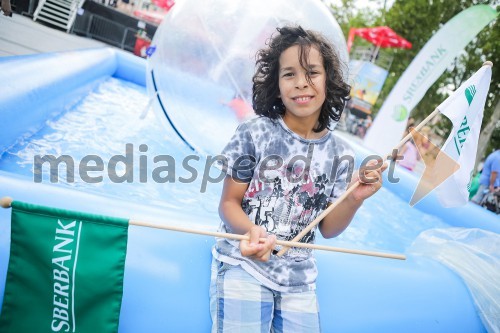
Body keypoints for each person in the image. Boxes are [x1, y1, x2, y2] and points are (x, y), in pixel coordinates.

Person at [210, 26, 386, 332]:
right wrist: (252, 230)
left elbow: (328, 229)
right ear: (276, 85)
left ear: (328, 81)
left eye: (312, 72)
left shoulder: (341, 154)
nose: (301, 82)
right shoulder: (254, 133)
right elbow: (228, 203)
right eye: (289, 74)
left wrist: (354, 199)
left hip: (300, 282)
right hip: (245, 266)